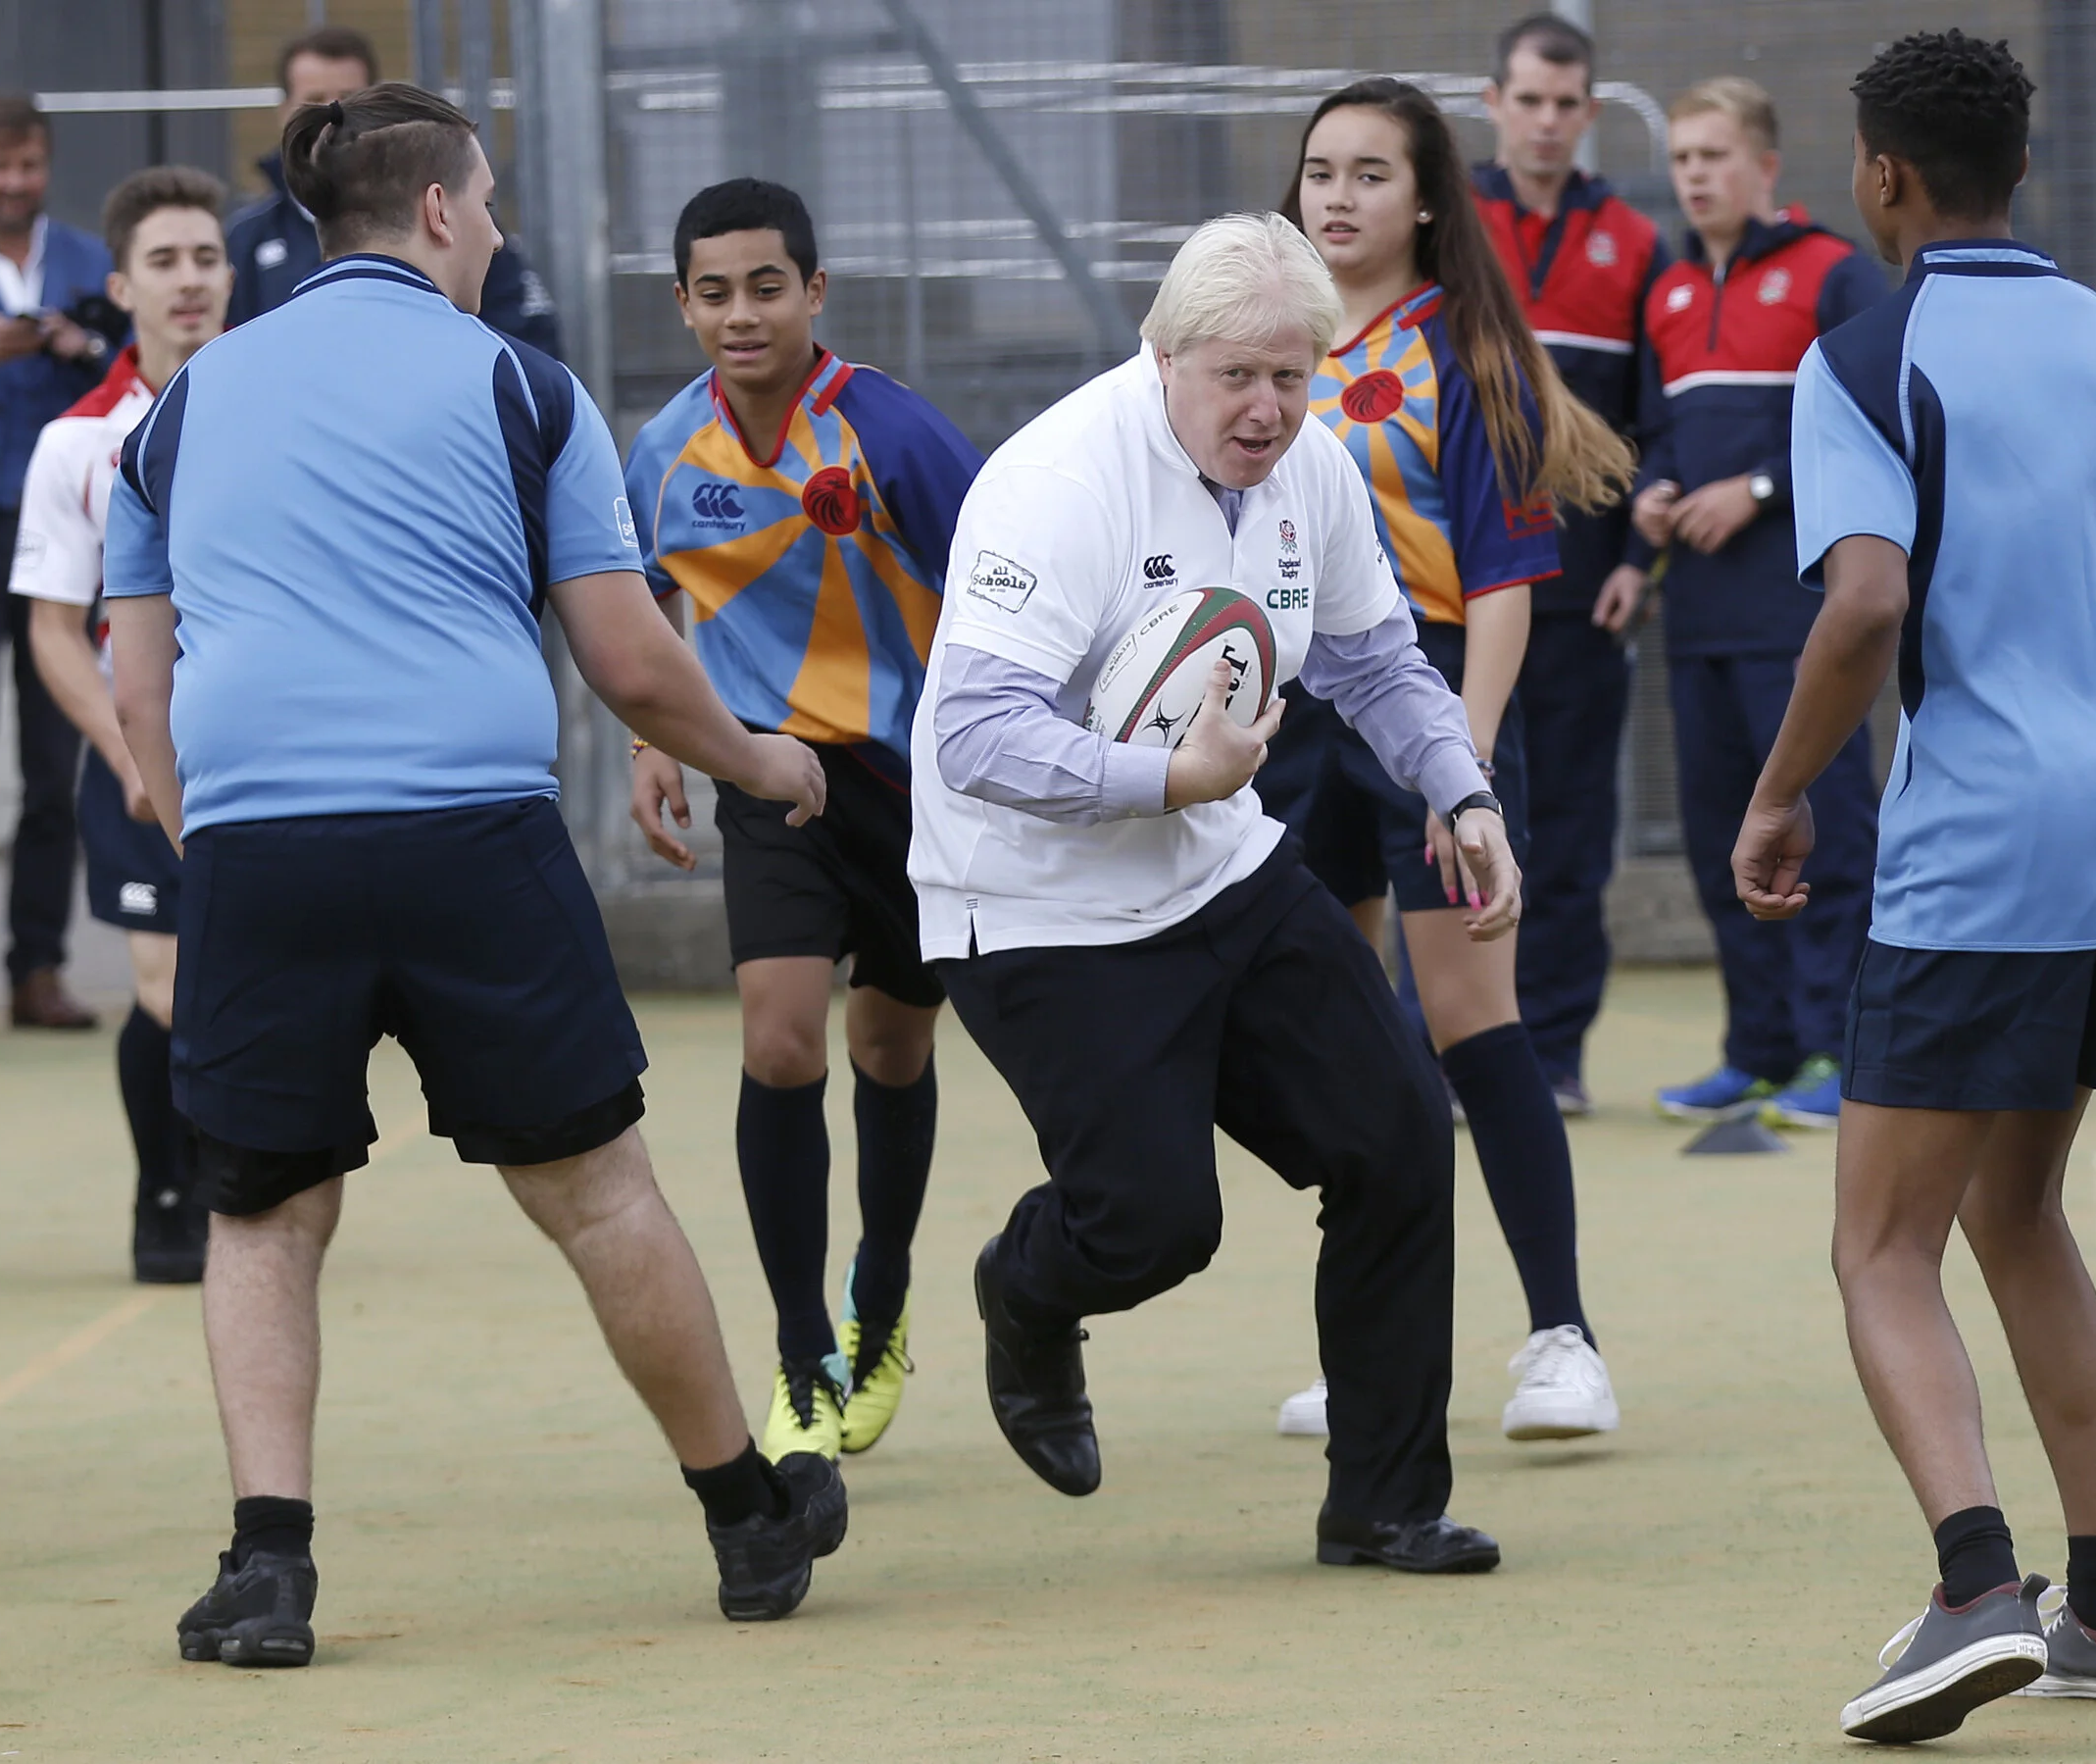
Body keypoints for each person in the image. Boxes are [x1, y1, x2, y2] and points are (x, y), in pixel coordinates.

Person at [103, 83, 846, 1667]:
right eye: (491, 204)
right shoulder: (521, 381)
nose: (497, 229)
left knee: (261, 1213)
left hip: (259, 851)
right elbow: (635, 664)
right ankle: (743, 1510)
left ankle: (268, 1567)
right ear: (440, 212)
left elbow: (139, 681)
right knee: (599, 1190)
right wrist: (770, 762)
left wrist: (201, 833)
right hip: (471, 840)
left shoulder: (181, 404)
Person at [1734, 31, 2096, 1742]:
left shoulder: (1868, 352)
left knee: (1879, 1240)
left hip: (1977, 845)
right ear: (2016, 170)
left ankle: (1973, 1583)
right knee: (2012, 1207)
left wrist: (1781, 790)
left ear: (1881, 175)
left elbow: (1867, 602)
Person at [909, 212, 1510, 1574]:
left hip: (1220, 862)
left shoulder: (1316, 470)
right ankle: (1025, 1285)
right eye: (1235, 375)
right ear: (1160, 352)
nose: (1267, 407)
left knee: (1400, 1134)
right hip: (1035, 900)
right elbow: (977, 736)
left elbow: (1374, 659)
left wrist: (1459, 789)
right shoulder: (1059, 479)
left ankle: (1386, 1501)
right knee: (1155, 1222)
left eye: (1292, 375)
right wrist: (1162, 774)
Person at [1262, 77, 1631, 1446]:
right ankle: (1371, 1352)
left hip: (1422, 696)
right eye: (1319, 172)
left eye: (1369, 173)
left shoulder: (1464, 352)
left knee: (1475, 1026)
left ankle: (1563, 1340)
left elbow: (1507, 584)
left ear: (1424, 200)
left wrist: (1456, 767)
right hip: (1283, 717)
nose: (1339, 196)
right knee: (1346, 1048)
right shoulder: (1260, 347)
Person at [625, 177, 982, 1465]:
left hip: (916, 786)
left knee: (890, 1046)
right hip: (773, 782)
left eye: (765, 286)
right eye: (712, 292)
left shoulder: (887, 431)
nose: (740, 313)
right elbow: (648, 601)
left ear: (814, 291)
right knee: (781, 1041)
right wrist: (649, 738)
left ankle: (877, 1303)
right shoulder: (663, 448)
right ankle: (801, 1356)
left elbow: (1005, 572)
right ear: (682, 304)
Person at [1631, 77, 1889, 1132]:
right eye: (1682, 158)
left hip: (1802, 622)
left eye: (1714, 155)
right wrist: (1652, 490)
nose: (1694, 175)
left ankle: (1849, 1051)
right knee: (1716, 840)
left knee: (1825, 837)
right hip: (1694, 625)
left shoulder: (1834, 274)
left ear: (1765, 168)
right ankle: (1759, 1048)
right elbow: (1658, 431)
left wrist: (1762, 491)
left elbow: (1878, 424)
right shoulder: (1667, 292)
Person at [11, 167, 232, 1283]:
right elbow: (55, 629)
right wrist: (125, 743)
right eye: (164, 262)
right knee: (166, 987)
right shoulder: (77, 443)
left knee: (240, 983)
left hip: (259, 753)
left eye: (205, 257)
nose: (188, 281)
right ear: (120, 286)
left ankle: (240, 1179)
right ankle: (167, 1189)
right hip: (138, 756)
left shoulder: (274, 412)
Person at [1473, 13, 1666, 1116]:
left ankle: (1551, 1056)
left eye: (1565, 105)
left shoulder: (1634, 246)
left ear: (1587, 116)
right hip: (1458, 585)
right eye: (1528, 100)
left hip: (1584, 594)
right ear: (1493, 102)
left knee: (1574, 832)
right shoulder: (1443, 221)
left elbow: (1657, 425)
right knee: (1451, 812)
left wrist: (1641, 552)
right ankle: (1442, 1050)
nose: (1546, 122)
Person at [0, 93, 116, 1029]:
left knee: (55, 765)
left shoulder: (92, 259)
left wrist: (80, 344)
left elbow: (137, 369)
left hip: (64, 538)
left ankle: (36, 969)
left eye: (29, 165)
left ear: (47, 165)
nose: (14, 182)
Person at [225, 25, 561, 356]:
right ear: (284, 111)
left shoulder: (466, 222)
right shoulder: (245, 239)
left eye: (346, 100)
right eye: (315, 102)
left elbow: (528, 350)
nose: (330, 118)